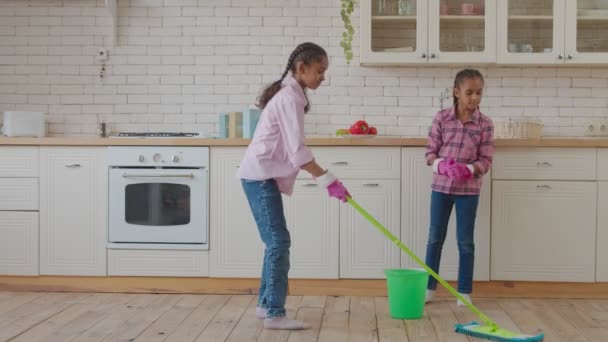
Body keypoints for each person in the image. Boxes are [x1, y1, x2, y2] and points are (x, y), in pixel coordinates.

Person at [237, 42, 349, 330]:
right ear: (302, 68)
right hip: (259, 176)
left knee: (274, 242)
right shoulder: (290, 98)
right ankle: (275, 313)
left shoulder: (292, 94)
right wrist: (328, 179)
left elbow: (293, 150)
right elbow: (297, 152)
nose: (323, 77)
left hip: (259, 175)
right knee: (278, 242)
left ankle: (265, 305)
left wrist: (326, 179)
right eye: (320, 71)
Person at [424, 69, 494, 307]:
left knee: (465, 241)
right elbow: (430, 154)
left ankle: (464, 291)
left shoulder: (485, 124)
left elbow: (486, 159)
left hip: (469, 192)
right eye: (469, 92)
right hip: (441, 188)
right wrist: (442, 166)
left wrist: (469, 170)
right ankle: (428, 288)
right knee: (435, 238)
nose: (475, 98)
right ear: (456, 92)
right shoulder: (441, 118)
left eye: (479, 93)